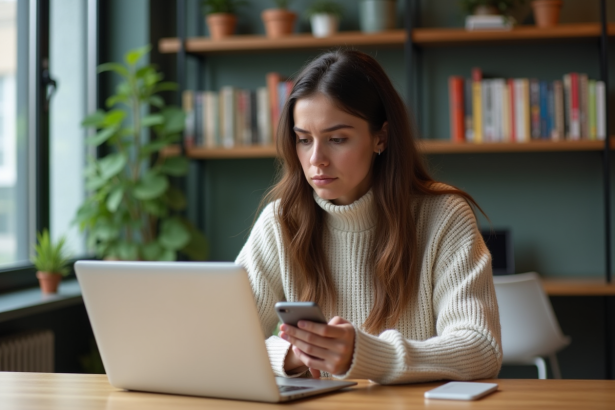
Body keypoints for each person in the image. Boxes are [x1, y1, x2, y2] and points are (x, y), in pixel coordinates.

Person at [236, 49, 502, 384]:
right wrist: (290, 356)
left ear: (381, 137)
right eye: (304, 140)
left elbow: (480, 348)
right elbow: (221, 339)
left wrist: (365, 355)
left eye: (337, 139)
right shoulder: (280, 222)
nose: (316, 159)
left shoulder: (443, 216)